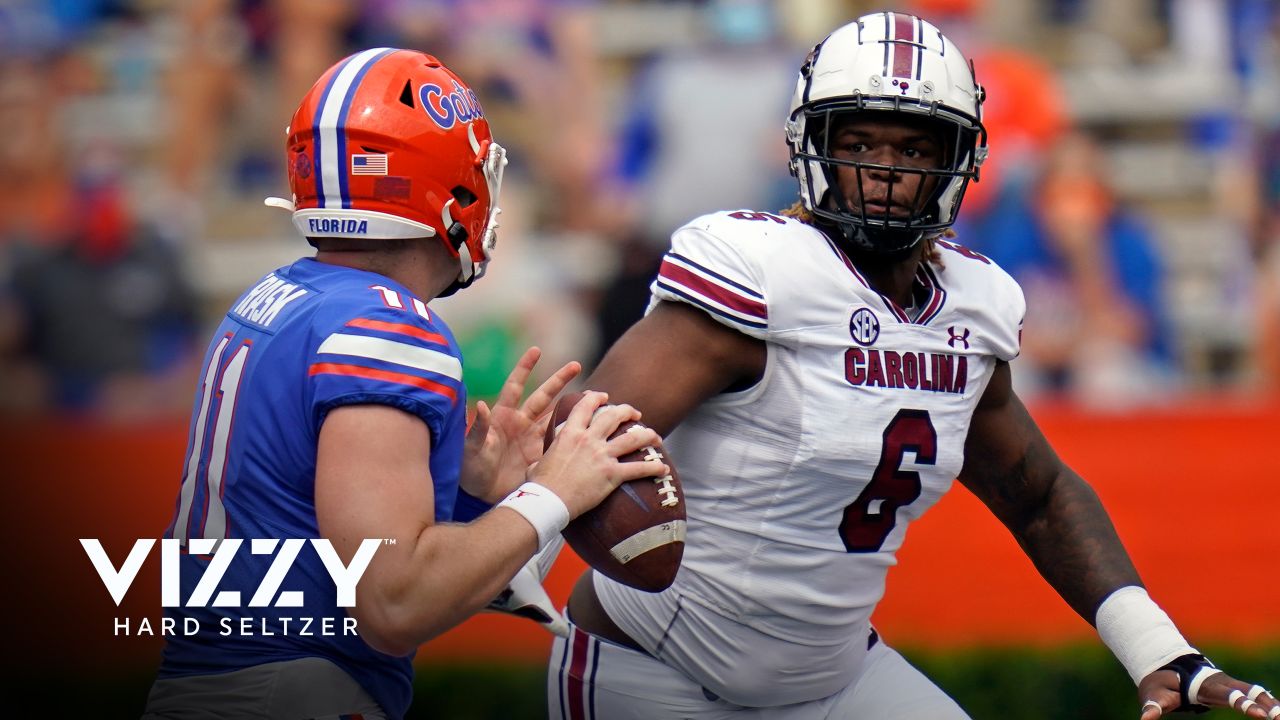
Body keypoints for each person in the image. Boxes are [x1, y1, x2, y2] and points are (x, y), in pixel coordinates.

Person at [546, 13, 1278, 720]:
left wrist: (1159, 649)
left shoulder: (973, 306)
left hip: (834, 679)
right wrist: (507, 549)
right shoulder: (758, 276)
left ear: (957, 161)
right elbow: (583, 444)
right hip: (651, 668)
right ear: (813, 145)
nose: (885, 170)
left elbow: (1040, 495)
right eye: (859, 142)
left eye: (916, 149)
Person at [141, 49, 668, 720]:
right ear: (451, 194)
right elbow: (392, 603)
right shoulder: (387, 328)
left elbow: (315, 527)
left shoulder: (279, 296)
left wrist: (475, 499)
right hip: (293, 691)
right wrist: (553, 495)